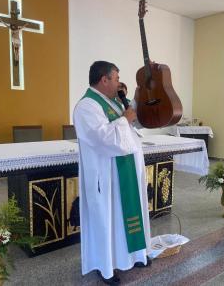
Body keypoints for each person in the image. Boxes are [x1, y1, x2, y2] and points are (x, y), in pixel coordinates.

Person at [73, 61, 151, 285]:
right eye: (116, 78)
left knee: (123, 219)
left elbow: (130, 124)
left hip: (124, 174)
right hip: (106, 177)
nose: (118, 82)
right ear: (103, 79)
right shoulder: (86, 106)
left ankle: (135, 255)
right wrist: (125, 120)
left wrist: (136, 98)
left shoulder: (113, 103)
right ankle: (106, 267)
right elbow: (105, 138)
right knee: (107, 221)